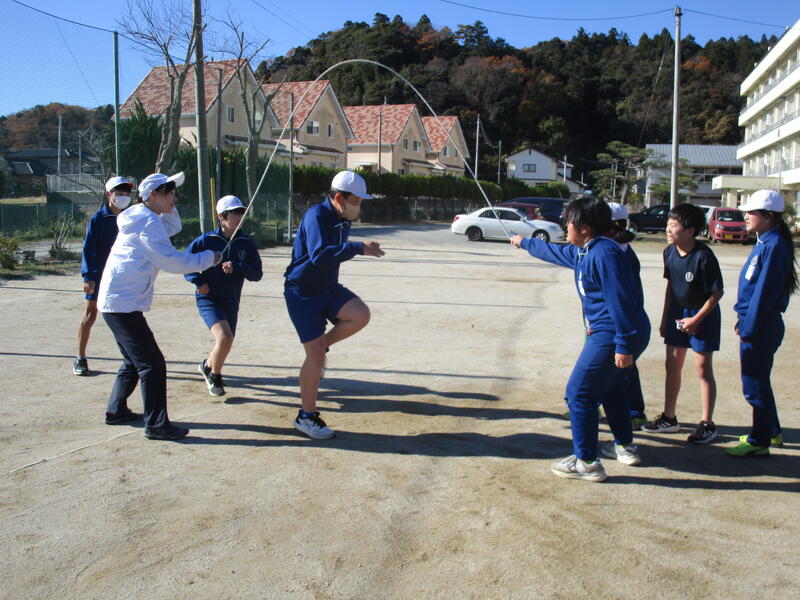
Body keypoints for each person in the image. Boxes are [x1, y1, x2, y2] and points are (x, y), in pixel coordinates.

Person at [511, 196, 650, 482]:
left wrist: (623, 345)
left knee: (579, 394)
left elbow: (621, 302)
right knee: (611, 389)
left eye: (569, 222)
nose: (565, 226)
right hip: (616, 332)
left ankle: (587, 462)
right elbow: (556, 252)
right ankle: (625, 447)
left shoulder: (605, 254)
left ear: (584, 227)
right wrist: (524, 243)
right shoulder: (587, 250)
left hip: (613, 333)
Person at [98, 172, 220, 441]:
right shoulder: (147, 222)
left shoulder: (144, 216)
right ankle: (156, 424)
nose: (174, 197)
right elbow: (173, 261)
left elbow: (172, 226)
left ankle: (116, 411)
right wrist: (210, 257)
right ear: (152, 195)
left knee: (133, 360)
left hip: (118, 302)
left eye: (174, 192)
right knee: (152, 364)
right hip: (121, 304)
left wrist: (168, 206)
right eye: (169, 193)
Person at [283, 170, 385, 439]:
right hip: (302, 294)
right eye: (356, 201)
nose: (358, 207)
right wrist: (358, 248)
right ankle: (306, 417)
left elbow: (333, 254)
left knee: (360, 314)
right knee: (315, 358)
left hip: (327, 288)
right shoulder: (316, 216)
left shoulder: (342, 218)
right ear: (339, 198)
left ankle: (322, 346)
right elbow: (319, 256)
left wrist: (356, 247)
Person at [644, 203, 724, 444]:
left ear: (690, 231)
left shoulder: (704, 256)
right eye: (668, 224)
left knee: (702, 369)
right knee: (672, 365)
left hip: (703, 315)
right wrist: (664, 319)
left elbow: (716, 294)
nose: (668, 229)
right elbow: (671, 287)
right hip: (677, 313)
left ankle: (707, 423)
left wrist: (696, 319)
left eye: (674, 225)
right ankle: (669, 418)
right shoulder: (669, 252)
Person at [726, 190, 797, 457]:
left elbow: (763, 293)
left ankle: (760, 441)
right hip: (755, 322)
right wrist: (743, 319)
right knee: (759, 381)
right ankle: (772, 431)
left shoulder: (775, 244)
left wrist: (749, 326)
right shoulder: (766, 241)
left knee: (754, 384)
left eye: (751, 212)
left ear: (768, 216)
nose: (745, 216)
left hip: (761, 325)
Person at [185, 195, 263, 396]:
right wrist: (199, 281)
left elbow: (257, 274)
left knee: (226, 342)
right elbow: (184, 262)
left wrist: (237, 266)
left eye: (241, 212)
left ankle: (207, 366)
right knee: (225, 337)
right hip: (208, 299)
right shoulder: (206, 240)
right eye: (234, 213)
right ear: (221, 216)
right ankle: (215, 376)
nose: (239, 216)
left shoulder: (246, 242)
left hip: (231, 300)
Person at [74, 176, 134, 376]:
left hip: (121, 275)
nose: (124, 197)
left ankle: (131, 358)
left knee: (124, 316)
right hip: (100, 275)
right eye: (119, 193)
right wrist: (88, 277)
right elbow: (88, 249)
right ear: (109, 195)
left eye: (126, 193)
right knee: (90, 314)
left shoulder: (130, 217)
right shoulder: (98, 219)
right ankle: (80, 358)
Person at [607, 202, 648, 430]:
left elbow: (622, 300)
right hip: (612, 323)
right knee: (622, 369)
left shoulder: (617, 254)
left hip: (622, 324)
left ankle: (633, 413)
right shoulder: (615, 248)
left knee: (619, 370)